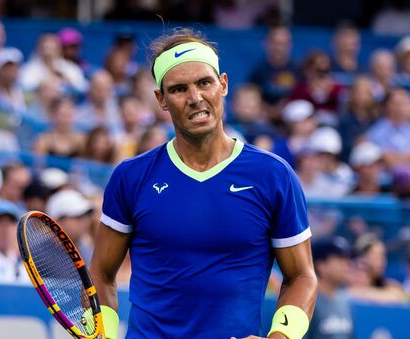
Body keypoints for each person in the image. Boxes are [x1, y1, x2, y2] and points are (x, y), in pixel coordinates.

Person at [90, 27, 317, 339]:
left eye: (204, 83)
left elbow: (302, 276)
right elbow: (101, 274)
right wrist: (104, 334)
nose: (195, 98)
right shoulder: (130, 177)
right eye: (179, 89)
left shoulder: (274, 176)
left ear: (222, 84)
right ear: (161, 100)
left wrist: (281, 336)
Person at [305, 237, 354, 339]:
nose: (347, 265)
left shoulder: (344, 300)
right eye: (340, 260)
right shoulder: (306, 301)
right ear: (321, 265)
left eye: (347, 260)